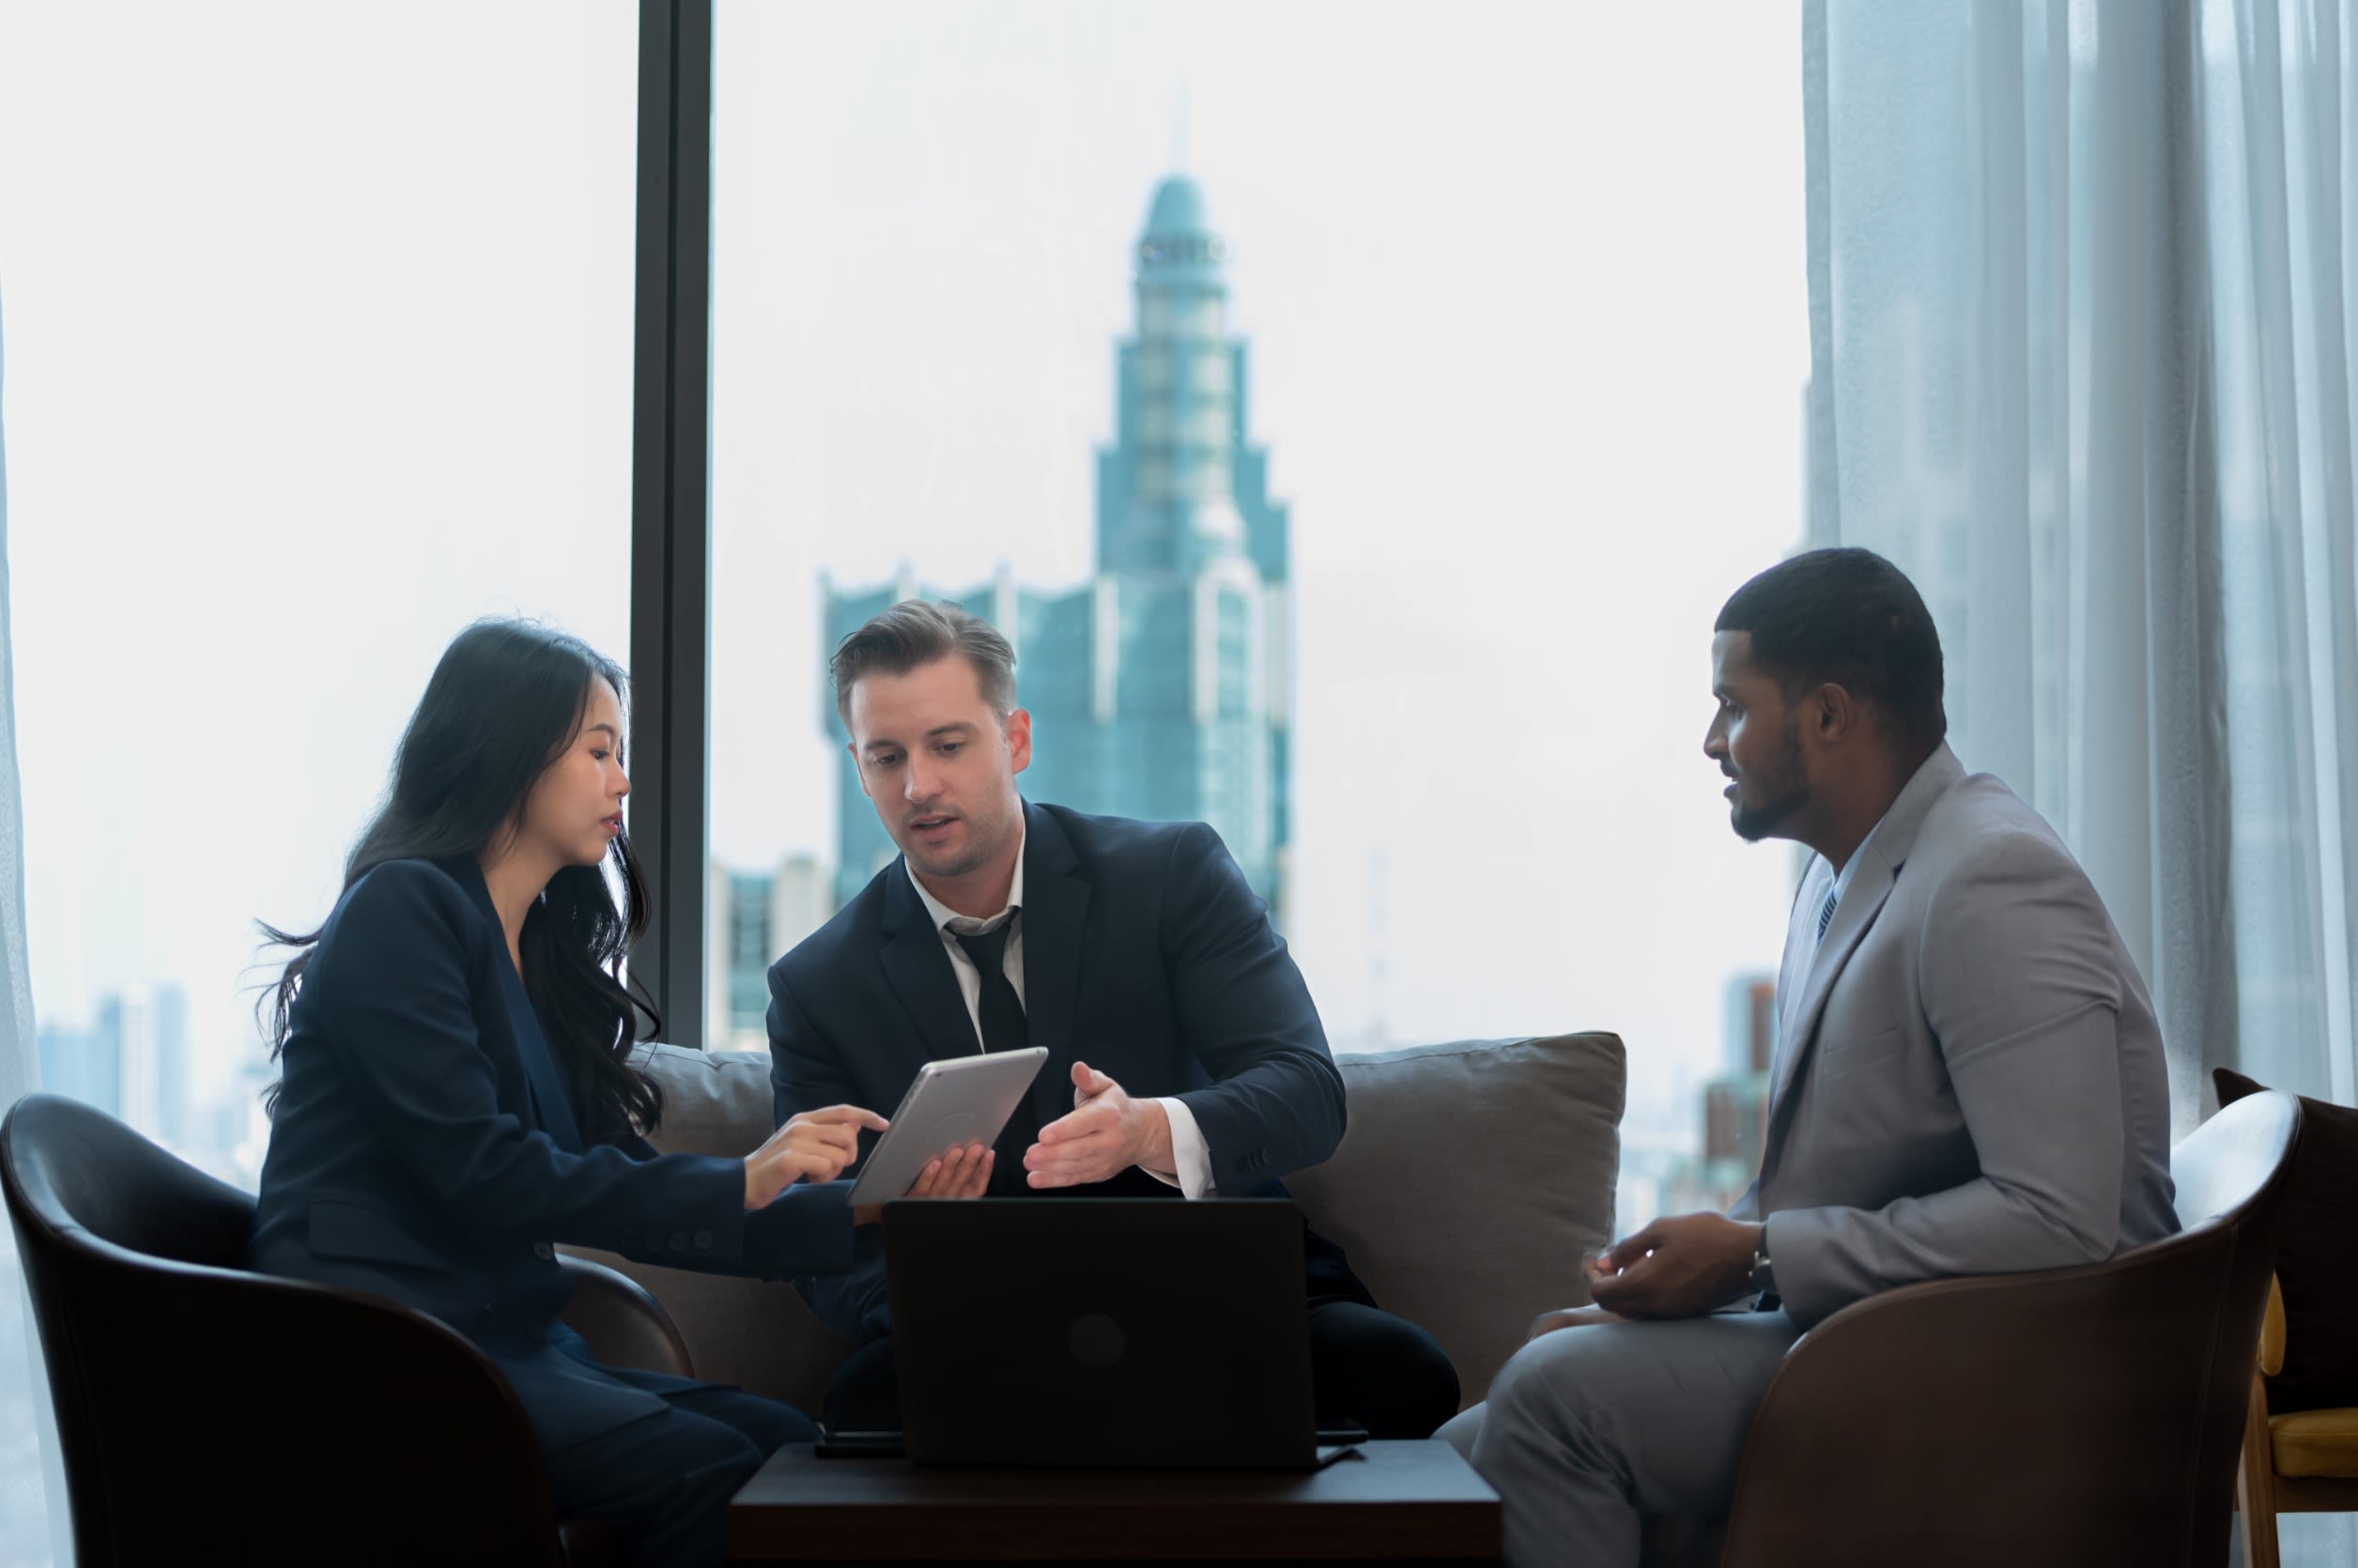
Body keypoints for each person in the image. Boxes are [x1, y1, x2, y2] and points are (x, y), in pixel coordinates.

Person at [1439, 547, 2179, 1566]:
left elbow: (2058, 1216)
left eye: (1732, 707)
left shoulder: (1992, 877)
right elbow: (1846, 1184)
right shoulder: (1838, 887)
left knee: (1553, 1400)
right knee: (1448, 1459)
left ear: (1829, 714)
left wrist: (1756, 1252)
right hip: (1877, 1336)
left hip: (2008, 1371)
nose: (1710, 741)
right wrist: (1697, 1286)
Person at [247, 619, 984, 1567]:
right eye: (599, 749)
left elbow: (623, 1186)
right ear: (508, 748)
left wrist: (865, 1210)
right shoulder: (403, 909)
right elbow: (482, 1171)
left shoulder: (536, 954)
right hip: (389, 1351)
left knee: (793, 1450)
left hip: (510, 1344)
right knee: (721, 1469)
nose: (623, 780)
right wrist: (747, 1174)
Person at [768, 599, 1461, 1438]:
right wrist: (925, 1270)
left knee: (1401, 1372)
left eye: (948, 745)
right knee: (866, 1409)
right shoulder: (816, 984)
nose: (919, 786)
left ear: (1015, 740)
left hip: (1217, 1291)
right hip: (981, 1332)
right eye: (887, 757)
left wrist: (1148, 1132)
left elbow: (1306, 1093)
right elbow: (818, 1246)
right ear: (858, 766)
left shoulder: (1171, 874)